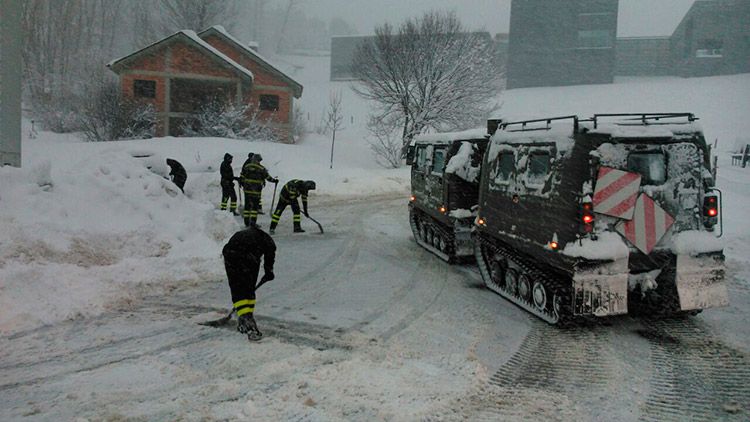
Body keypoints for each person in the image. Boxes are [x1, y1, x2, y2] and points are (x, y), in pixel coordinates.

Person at [222, 225, 276, 341]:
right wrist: (269, 271)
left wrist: (268, 271)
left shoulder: (248, 235)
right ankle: (246, 318)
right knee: (247, 288)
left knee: (238, 288)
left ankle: (246, 317)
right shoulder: (268, 242)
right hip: (244, 256)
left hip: (230, 254)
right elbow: (270, 256)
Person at [240, 154, 278, 227]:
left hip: (247, 191)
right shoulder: (261, 168)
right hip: (256, 191)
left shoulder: (247, 166)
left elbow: (242, 176)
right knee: (254, 208)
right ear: (259, 160)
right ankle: (253, 223)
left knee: (247, 207)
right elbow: (268, 177)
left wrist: (242, 183)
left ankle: (246, 222)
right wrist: (274, 181)